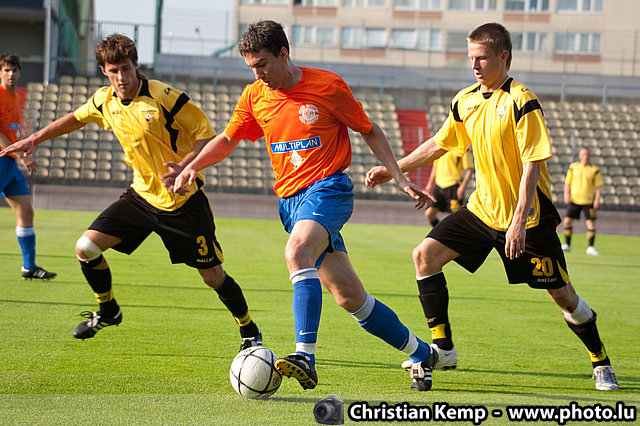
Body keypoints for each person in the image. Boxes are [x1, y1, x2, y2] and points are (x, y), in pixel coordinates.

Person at [170, 20, 438, 392]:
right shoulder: (254, 96)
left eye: (262, 64)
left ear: (284, 53)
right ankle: (422, 353)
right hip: (290, 203)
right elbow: (228, 140)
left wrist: (400, 177)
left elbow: (369, 129)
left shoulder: (328, 86)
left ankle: (305, 357)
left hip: (329, 189)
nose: (258, 74)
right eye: (251, 67)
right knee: (350, 298)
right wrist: (192, 166)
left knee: (296, 252)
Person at [366, 23, 618, 391]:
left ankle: (601, 361)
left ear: (503, 56)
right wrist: (394, 170)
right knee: (424, 256)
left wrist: (518, 221)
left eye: (482, 58)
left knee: (563, 296)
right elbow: (440, 143)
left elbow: (532, 164)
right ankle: (443, 348)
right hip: (482, 211)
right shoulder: (465, 100)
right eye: (471, 58)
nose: (474, 65)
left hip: (527, 218)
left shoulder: (522, 101)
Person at [0, 35, 262, 350]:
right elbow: (76, 119)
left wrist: (185, 166)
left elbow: (205, 135)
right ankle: (108, 310)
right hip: (140, 198)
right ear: (104, 70)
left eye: (126, 68)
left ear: (136, 64)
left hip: (183, 201)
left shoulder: (165, 97)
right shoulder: (104, 100)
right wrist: (35, 139)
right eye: (114, 71)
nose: (122, 77)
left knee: (212, 276)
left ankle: (249, 330)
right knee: (86, 248)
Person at [0, 53, 56, 280]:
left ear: (20, 72)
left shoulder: (15, 97)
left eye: (14, 70)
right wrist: (21, 156)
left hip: (10, 164)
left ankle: (29, 267)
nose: (11, 74)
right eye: (6, 70)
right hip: (2, 159)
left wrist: (19, 154)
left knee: (26, 211)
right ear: (0, 73)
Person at [562, 147, 602, 256]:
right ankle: (567, 245)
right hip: (574, 200)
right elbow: (567, 182)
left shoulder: (594, 170)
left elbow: (598, 186)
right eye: (583, 154)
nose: (586, 156)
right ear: (580, 155)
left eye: (587, 154)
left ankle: (590, 247)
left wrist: (597, 199)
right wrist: (566, 194)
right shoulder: (573, 167)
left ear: (590, 156)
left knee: (590, 223)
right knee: (567, 222)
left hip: (588, 201)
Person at [424, 149, 473, 228]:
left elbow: (470, 170)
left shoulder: (462, 148)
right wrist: (429, 184)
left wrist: (463, 186)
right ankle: (440, 232)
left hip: (453, 186)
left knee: (453, 219)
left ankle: (454, 234)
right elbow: (435, 167)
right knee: (429, 214)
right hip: (439, 186)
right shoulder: (440, 147)